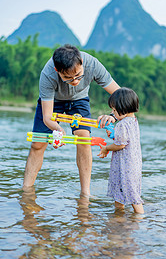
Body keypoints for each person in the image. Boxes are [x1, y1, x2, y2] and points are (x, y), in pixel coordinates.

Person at [23, 44, 120, 196]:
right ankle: (26, 190)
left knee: (84, 138)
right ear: (57, 71)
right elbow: (47, 116)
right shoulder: (48, 74)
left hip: (79, 99)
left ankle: (85, 194)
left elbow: (120, 95)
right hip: (53, 101)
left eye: (78, 75)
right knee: (37, 143)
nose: (75, 81)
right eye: (67, 78)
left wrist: (113, 115)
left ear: (82, 62)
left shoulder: (93, 64)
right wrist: (59, 130)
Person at [98, 87, 144, 214]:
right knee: (121, 190)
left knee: (132, 195)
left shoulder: (122, 124)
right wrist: (113, 135)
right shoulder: (133, 121)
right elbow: (126, 139)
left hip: (125, 165)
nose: (113, 113)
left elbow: (120, 145)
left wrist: (106, 148)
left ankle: (140, 217)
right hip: (133, 163)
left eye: (114, 110)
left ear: (123, 107)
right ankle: (118, 216)